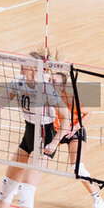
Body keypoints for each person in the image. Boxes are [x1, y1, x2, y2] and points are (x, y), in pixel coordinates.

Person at [0, 51, 72, 208]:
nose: (21, 63)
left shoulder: (47, 90)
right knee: (6, 188)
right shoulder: (18, 82)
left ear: (34, 68)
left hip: (44, 137)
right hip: (29, 134)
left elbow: (66, 117)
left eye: (25, 62)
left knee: (26, 192)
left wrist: (54, 144)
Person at [51, 72, 104, 208]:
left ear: (62, 87)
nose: (50, 83)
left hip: (73, 132)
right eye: (49, 80)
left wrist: (74, 128)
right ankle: (21, 186)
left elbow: (88, 113)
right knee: (35, 156)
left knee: (78, 168)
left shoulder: (70, 99)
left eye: (54, 81)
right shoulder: (44, 96)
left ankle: (97, 198)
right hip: (56, 131)